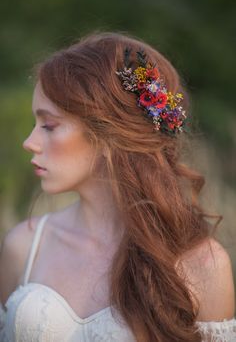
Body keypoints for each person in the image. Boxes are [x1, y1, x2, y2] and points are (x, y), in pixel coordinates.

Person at [0, 32, 235, 342]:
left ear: (109, 134)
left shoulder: (202, 265)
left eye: (48, 125)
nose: (29, 143)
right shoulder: (23, 247)